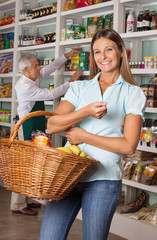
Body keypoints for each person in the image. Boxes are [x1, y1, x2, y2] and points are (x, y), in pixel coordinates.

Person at [40, 28, 146, 240]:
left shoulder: (132, 93)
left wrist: (84, 136)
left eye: (108, 50)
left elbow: (128, 146)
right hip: (67, 175)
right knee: (49, 237)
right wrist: (85, 111)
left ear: (121, 52)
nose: (103, 57)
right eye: (97, 52)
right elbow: (52, 125)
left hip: (103, 180)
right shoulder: (79, 87)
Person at [11, 49, 84, 216]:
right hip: (26, 126)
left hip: (35, 125)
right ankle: (17, 204)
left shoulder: (32, 78)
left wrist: (67, 55)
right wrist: (71, 82)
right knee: (25, 165)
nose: (39, 68)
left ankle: (27, 199)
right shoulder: (24, 86)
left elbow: (50, 68)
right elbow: (51, 94)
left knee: (33, 164)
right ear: (27, 70)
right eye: (36, 66)